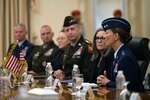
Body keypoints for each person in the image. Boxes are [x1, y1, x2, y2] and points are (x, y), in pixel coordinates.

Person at [97, 17, 144, 92]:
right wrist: (106, 81)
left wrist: (108, 82)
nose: (104, 36)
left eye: (106, 32)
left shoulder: (126, 57)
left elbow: (130, 87)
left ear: (116, 36)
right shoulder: (117, 54)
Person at [53, 16, 92, 82]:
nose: (70, 32)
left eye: (72, 29)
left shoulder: (86, 46)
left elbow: (87, 74)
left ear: (79, 29)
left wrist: (66, 78)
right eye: (67, 30)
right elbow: (66, 69)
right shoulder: (67, 47)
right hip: (67, 84)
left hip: (81, 86)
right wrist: (60, 73)